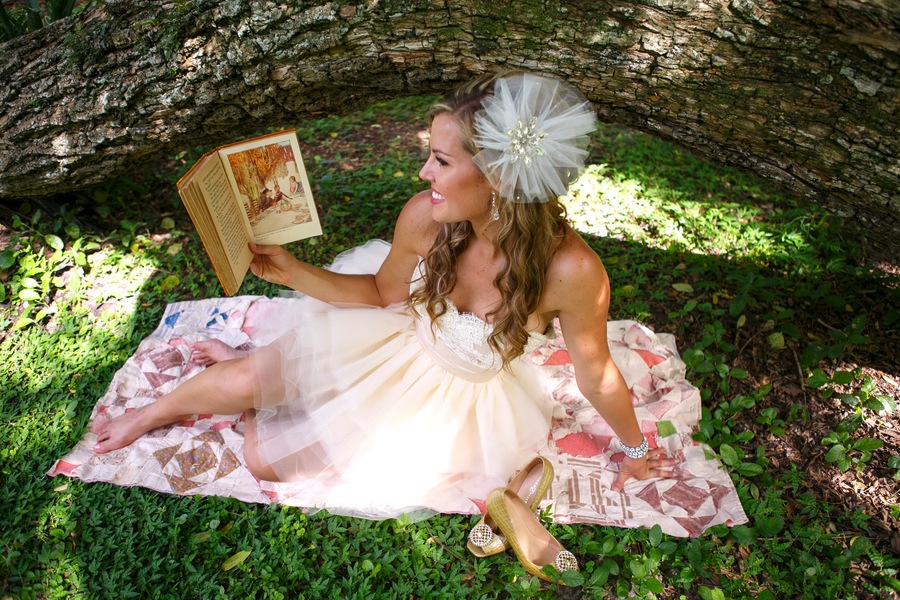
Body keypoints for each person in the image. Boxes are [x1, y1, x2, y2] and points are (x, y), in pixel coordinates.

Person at [90, 71, 674, 519]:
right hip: (383, 341)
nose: (424, 173)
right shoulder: (428, 216)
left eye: (441, 161)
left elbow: (595, 375)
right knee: (248, 384)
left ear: (498, 176)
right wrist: (292, 272)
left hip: (453, 401)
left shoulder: (571, 271)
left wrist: (632, 446)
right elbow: (379, 291)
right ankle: (159, 408)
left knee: (269, 460)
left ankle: (268, 390)